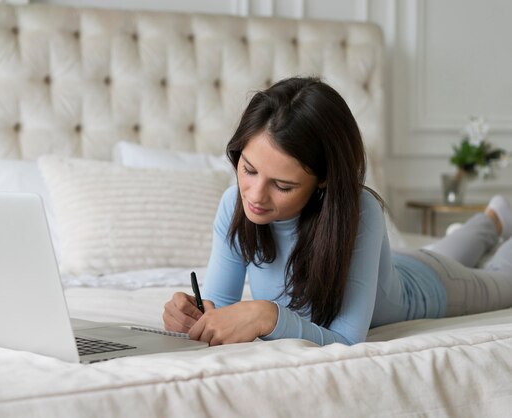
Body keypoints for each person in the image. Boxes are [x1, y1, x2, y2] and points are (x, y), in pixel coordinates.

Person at [162, 76, 512, 347]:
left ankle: (497, 220)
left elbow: (346, 339)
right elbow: (221, 308)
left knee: (504, 280)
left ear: (325, 180)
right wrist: (193, 315)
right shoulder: (233, 204)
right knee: (447, 250)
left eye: (282, 186)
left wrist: (268, 315)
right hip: (396, 266)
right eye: (248, 169)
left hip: (430, 285)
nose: (254, 195)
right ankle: (495, 218)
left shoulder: (360, 211)